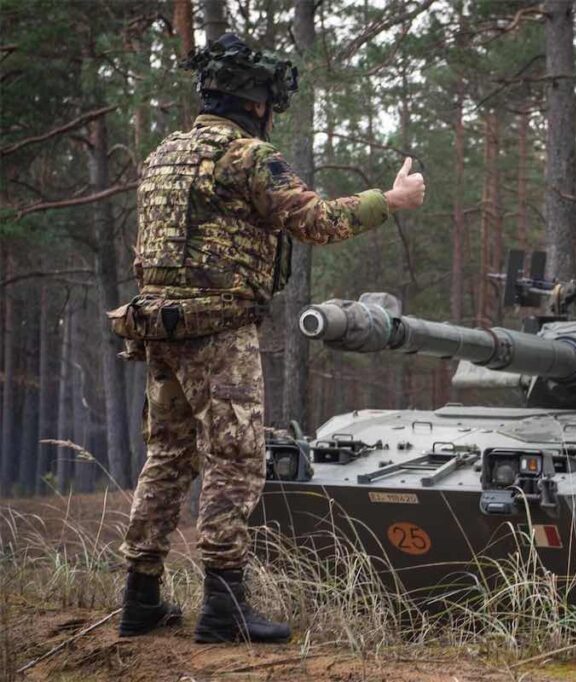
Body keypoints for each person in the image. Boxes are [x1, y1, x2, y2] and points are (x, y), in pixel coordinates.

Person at [110, 34, 425, 643]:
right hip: (218, 332)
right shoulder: (246, 156)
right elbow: (317, 221)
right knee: (235, 460)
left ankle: (139, 598)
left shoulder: (164, 154)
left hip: (161, 330)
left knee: (169, 458)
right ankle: (224, 610)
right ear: (256, 102)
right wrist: (391, 199)